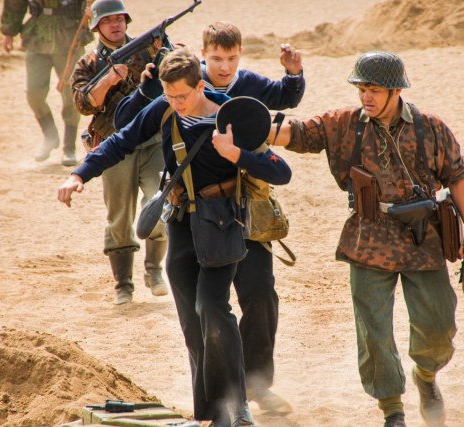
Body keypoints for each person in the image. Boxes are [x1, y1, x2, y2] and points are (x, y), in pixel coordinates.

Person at [58, 47, 292, 427]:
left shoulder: (229, 114)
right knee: (192, 327)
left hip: (223, 224)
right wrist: (79, 174)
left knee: (212, 307)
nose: (176, 103)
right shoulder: (164, 109)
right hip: (181, 222)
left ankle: (238, 406)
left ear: (200, 86)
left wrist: (236, 154)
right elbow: (121, 140)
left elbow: (281, 171)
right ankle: (211, 415)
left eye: (182, 95)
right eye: (169, 95)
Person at [267, 51, 464, 427]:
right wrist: (254, 124)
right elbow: (297, 133)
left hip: (423, 236)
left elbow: (457, 179)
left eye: (374, 90)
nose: (366, 96)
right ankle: (392, 408)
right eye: (362, 88)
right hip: (368, 236)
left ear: (395, 91)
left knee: (439, 326)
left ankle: (426, 376)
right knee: (373, 331)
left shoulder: (430, 128)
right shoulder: (346, 125)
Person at [114, 21, 304, 413]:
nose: (224, 66)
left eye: (232, 58)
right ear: (203, 58)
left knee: (260, 295)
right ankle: (221, 399)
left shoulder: (248, 85)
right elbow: (128, 125)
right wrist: (148, 86)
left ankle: (256, 384)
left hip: (246, 211)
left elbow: (286, 98)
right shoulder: (182, 88)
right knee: (206, 310)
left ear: (240, 56)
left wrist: (294, 73)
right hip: (199, 216)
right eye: (216, 58)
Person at [69, 0, 169, 305]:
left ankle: (154, 270)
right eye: (108, 20)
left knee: (160, 204)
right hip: (113, 146)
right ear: (96, 26)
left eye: (119, 19)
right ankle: (123, 284)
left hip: (152, 140)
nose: (115, 25)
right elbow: (83, 104)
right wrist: (109, 78)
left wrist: (167, 49)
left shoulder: (146, 49)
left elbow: (173, 70)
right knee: (120, 217)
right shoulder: (88, 63)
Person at [0, 0, 93, 166]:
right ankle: (50, 135)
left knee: (72, 94)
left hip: (69, 36)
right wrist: (9, 31)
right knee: (34, 93)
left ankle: (69, 147)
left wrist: (91, 12)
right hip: (37, 37)